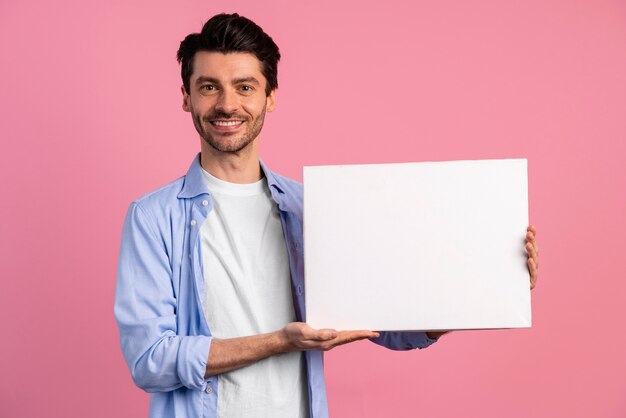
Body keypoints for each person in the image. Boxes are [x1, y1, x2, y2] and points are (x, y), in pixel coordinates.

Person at [114, 13, 540, 418]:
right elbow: (151, 360)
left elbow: (386, 320)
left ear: (270, 97)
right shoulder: (153, 218)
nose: (227, 105)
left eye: (245, 87)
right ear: (186, 97)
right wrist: (279, 341)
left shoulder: (310, 208)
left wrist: (490, 283)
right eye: (210, 87)